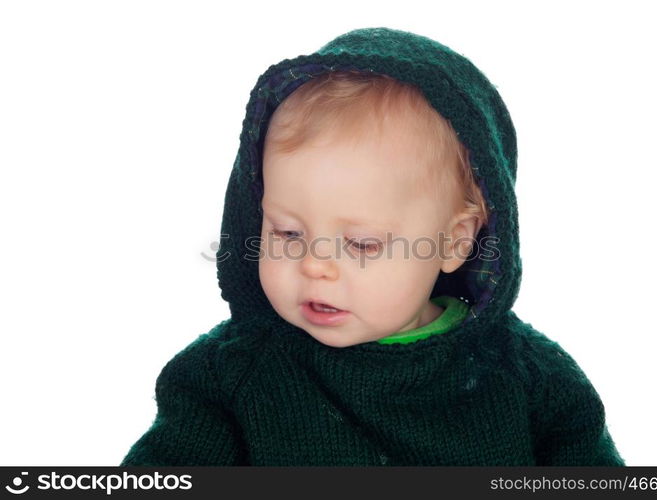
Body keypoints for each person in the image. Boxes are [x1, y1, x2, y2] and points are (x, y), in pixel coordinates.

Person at [119, 27, 625, 466]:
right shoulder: (229, 377)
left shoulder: (529, 379)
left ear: (455, 241)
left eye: (361, 243)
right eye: (288, 234)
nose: (315, 265)